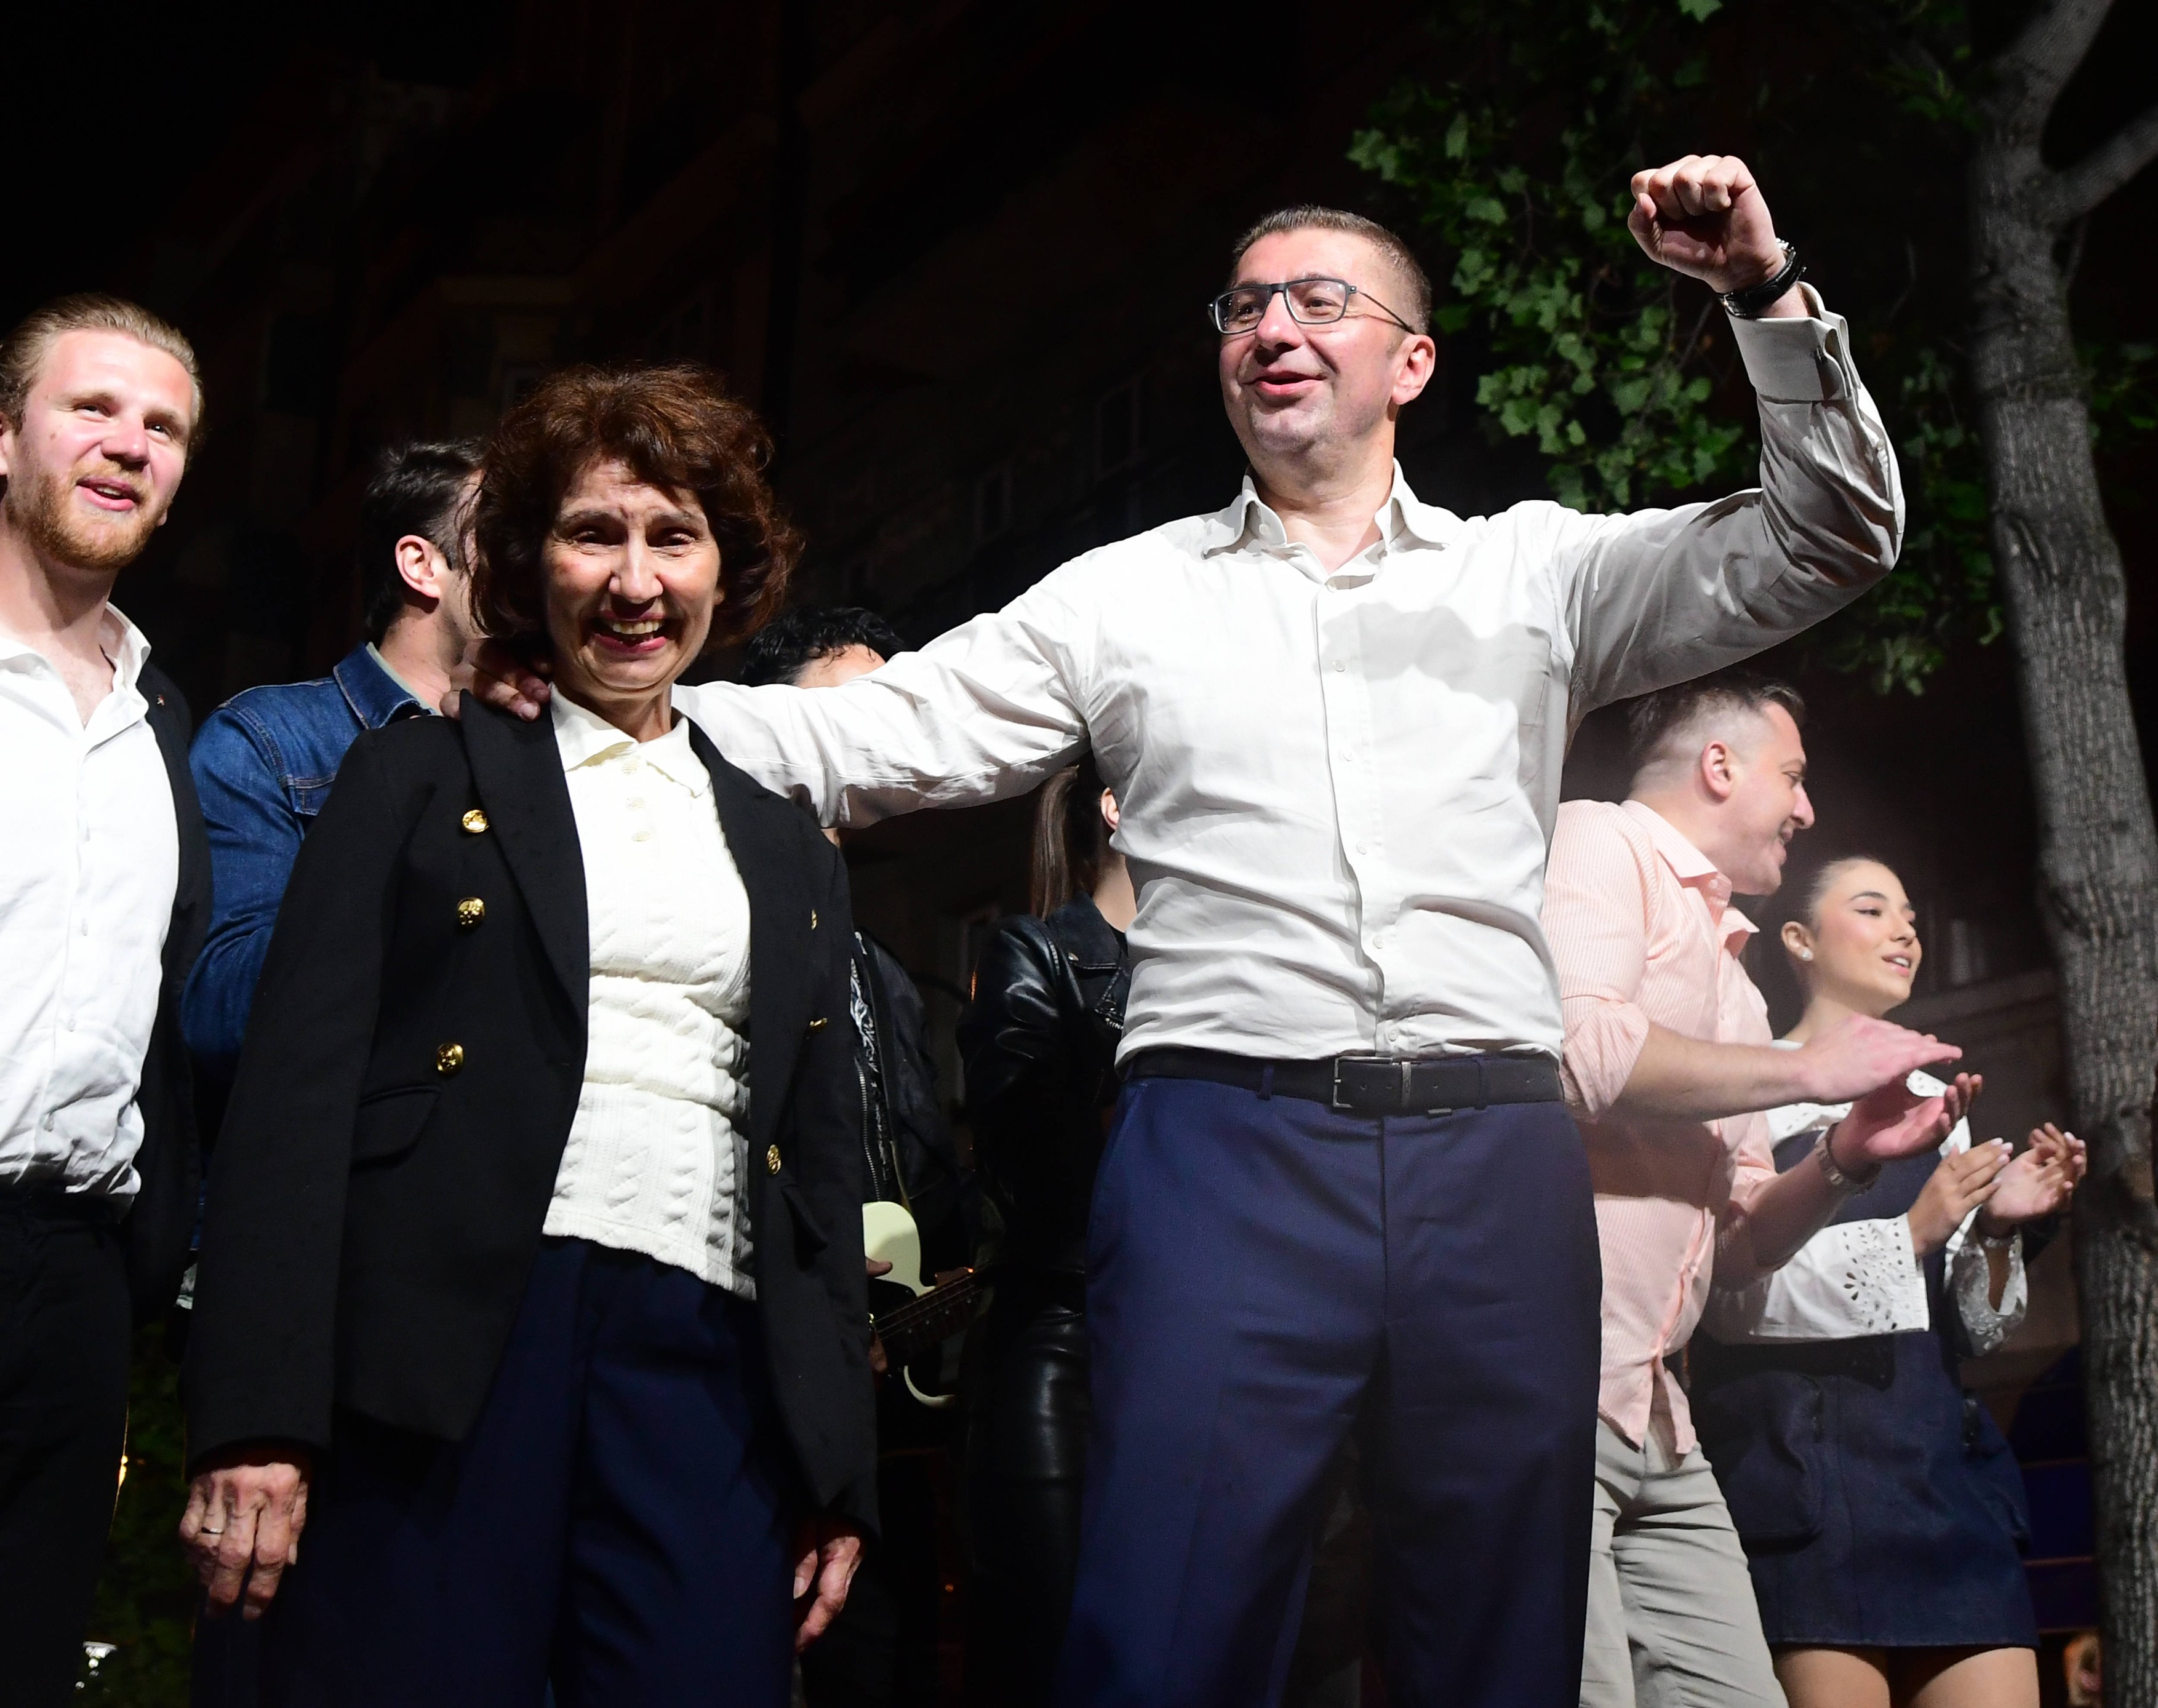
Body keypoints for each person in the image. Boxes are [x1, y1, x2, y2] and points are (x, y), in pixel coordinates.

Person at [473, 157, 1908, 1703]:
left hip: (1494, 1154)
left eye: (1319, 298)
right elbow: (879, 735)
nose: (1272, 325)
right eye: (1243, 305)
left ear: (1410, 362)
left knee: (1498, 1644)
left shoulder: (1540, 573)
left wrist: (1763, 296)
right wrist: (600, 705)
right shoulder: (1126, 598)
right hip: (1226, 1150)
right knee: (1166, 1629)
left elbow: (1830, 537)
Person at [177, 364, 876, 1706]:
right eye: (592, 532)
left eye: (673, 536)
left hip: (708, 1368)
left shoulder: (786, 845)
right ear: (522, 565)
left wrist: (834, 1464)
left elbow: (820, 1166)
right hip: (448, 1355)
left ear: (726, 570)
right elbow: (294, 1092)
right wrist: (260, 1414)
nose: (633, 579)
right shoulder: (418, 769)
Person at [1542, 672, 1983, 1708]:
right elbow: (1582, 1051)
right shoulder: (1597, 840)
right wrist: (1805, 1074)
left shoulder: (1735, 991)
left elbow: (1738, 1242)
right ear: (1718, 767)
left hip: (1660, 1416)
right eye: (1791, 777)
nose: (1805, 808)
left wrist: (1842, 1154)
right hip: (1554, 1386)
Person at [1693, 855, 2085, 1708]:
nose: (1904, 930)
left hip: (1940, 1482)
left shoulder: (1936, 1102)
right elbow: (1720, 1300)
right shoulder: (1745, 1085)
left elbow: (1969, 1332)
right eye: (1871, 910)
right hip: (1801, 1485)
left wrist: (1997, 1227)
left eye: (1909, 913)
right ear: (1796, 939)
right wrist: (1913, 1228)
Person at [0, 295, 209, 1707]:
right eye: (92, 407)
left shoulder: (162, 723)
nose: (128, 443)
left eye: (164, 425)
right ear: (5, 434)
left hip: (71, 1273)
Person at [740, 604, 973, 1708]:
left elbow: (912, 1158)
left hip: (876, 1388)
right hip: (754, 1367)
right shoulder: (723, 914)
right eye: (855, 704)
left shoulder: (879, 963)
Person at [184, 440, 481, 1080]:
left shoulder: (542, 750)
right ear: (422, 565)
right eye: (509, 536)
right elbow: (218, 1010)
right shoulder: (266, 741)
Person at [958, 756, 1133, 1708]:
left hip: (1193, 1349)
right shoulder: (1041, 953)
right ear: (1117, 808)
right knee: (1053, 1651)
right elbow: (1031, 1155)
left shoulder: (1239, 963)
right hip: (1064, 1339)